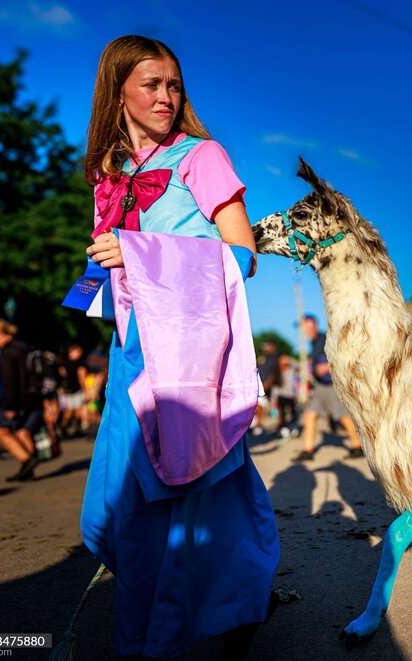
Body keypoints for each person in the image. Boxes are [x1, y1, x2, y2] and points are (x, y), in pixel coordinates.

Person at [77, 35, 278, 659]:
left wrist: (139, 253)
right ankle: (183, 621)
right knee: (118, 509)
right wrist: (103, 278)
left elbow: (243, 255)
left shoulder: (202, 156)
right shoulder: (107, 178)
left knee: (198, 496)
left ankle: (221, 618)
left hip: (191, 356)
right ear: (117, 92)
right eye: (150, 84)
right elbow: (122, 277)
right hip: (131, 352)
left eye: (173, 85)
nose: (166, 97)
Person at [292, 314, 364, 462]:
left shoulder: (324, 339)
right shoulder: (312, 343)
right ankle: (308, 450)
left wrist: (328, 366)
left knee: (343, 416)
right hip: (319, 387)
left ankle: (358, 447)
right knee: (309, 414)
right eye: (304, 328)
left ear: (314, 326)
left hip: (331, 385)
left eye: (308, 326)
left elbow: (341, 356)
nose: (306, 330)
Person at [0, 320, 43, 481]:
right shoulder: (24, 348)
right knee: (22, 431)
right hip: (33, 397)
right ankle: (28, 470)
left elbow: (9, 381)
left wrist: (9, 406)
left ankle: (27, 460)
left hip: (17, 400)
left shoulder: (7, 353)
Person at [58, 344, 88, 437]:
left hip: (67, 390)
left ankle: (65, 428)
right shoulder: (80, 364)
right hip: (76, 390)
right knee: (74, 411)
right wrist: (85, 390)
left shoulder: (64, 364)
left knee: (71, 411)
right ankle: (68, 428)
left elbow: (62, 375)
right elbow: (82, 377)